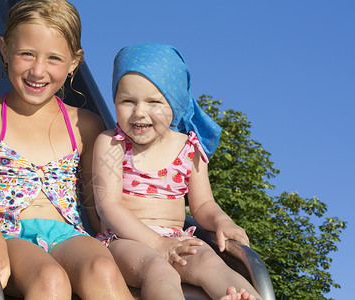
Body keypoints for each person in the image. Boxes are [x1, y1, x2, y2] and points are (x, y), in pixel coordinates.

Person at [0, 0, 133, 298]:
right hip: (9, 235)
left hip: (70, 234)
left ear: (74, 63)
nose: (38, 70)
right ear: (4, 49)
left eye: (53, 58)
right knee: (50, 278)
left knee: (102, 269)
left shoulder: (86, 125)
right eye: (26, 54)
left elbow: (97, 206)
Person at [93, 42, 262, 300]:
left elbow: (203, 204)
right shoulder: (112, 143)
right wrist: (157, 244)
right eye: (127, 101)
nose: (139, 112)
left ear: (175, 104)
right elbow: (109, 207)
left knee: (211, 263)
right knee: (159, 270)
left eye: (153, 102)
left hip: (176, 238)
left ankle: (242, 296)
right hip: (124, 241)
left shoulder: (189, 146)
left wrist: (221, 221)